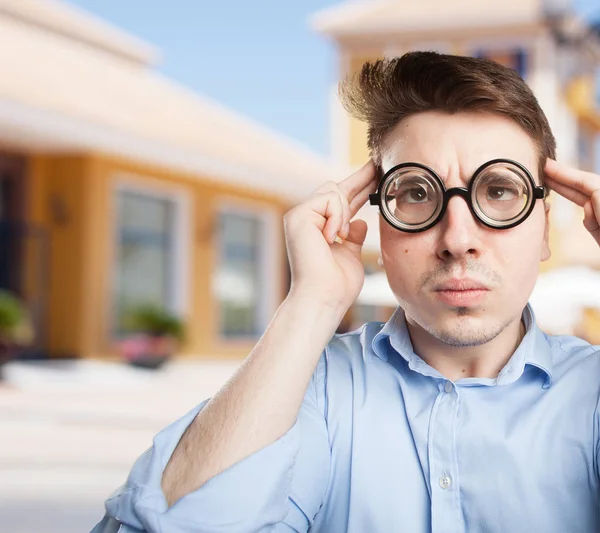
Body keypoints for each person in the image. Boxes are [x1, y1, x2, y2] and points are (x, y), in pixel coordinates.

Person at [92, 51, 600, 533]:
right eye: (417, 194)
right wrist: (311, 303)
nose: (458, 240)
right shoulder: (309, 388)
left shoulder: (591, 392)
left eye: (498, 191)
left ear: (545, 227)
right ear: (377, 218)